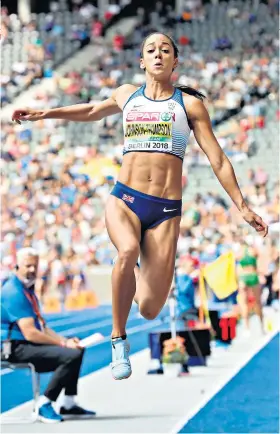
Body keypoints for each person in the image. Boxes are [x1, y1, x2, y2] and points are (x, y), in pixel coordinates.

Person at [12, 32, 268, 381]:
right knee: (127, 249)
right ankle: (119, 338)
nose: (158, 54)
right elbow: (90, 110)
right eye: (151, 50)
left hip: (164, 210)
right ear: (142, 61)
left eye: (166, 50)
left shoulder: (189, 106)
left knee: (149, 308)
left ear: (175, 61)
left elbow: (218, 160)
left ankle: (129, 272)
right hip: (126, 199)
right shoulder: (128, 95)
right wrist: (45, 114)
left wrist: (242, 206)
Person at [1, 248, 95, 423]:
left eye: (34, 266)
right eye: (28, 265)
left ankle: (68, 403)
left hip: (23, 344)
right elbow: (30, 333)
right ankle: (45, 403)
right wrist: (62, 344)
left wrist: (65, 341)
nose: (31, 270)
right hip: (13, 348)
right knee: (71, 354)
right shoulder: (13, 292)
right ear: (16, 265)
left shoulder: (26, 290)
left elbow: (42, 327)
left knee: (77, 349)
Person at [236, 244, 264, 335]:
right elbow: (259, 263)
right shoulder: (254, 250)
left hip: (244, 276)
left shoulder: (240, 251)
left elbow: (237, 264)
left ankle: (247, 327)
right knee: (257, 303)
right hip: (252, 275)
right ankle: (261, 326)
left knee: (244, 303)